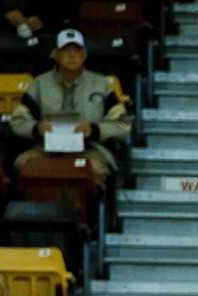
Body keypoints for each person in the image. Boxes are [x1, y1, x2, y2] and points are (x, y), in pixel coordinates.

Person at [8, 30, 131, 191]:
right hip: (46, 149)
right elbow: (18, 121)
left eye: (77, 50)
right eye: (66, 50)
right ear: (56, 54)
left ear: (84, 55)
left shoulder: (101, 84)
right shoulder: (40, 83)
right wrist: (36, 128)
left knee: (92, 169)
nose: (72, 55)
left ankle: (87, 206)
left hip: (89, 149)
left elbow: (122, 125)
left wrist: (94, 129)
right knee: (25, 164)